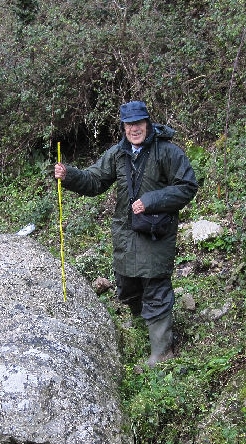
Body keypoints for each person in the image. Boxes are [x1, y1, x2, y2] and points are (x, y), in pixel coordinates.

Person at [55, 100, 198, 366]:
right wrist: (70, 175)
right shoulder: (118, 154)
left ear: (148, 123)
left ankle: (161, 352)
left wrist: (152, 200)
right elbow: (95, 181)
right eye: (129, 124)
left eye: (139, 123)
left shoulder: (167, 151)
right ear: (123, 126)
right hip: (126, 232)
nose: (135, 129)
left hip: (156, 232)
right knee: (128, 286)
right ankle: (146, 333)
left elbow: (187, 186)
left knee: (155, 287)